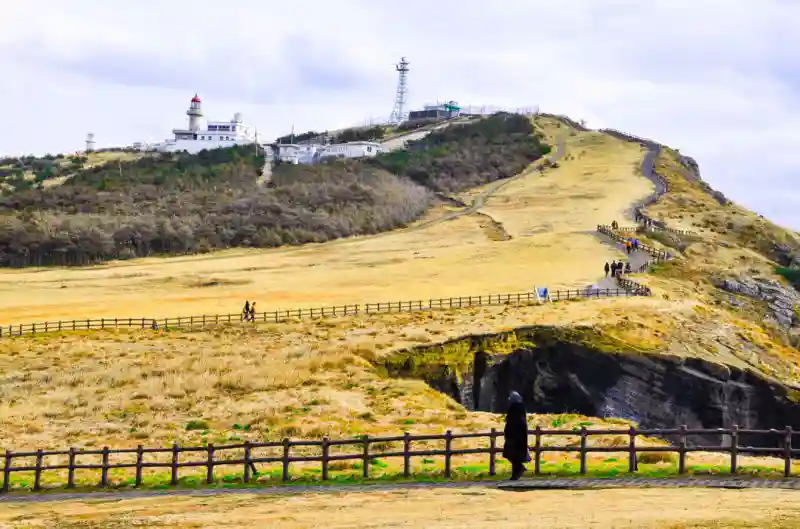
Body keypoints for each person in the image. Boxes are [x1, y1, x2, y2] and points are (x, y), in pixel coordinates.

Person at [503, 391, 530, 480]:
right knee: (513, 455)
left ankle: (518, 470)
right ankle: (516, 473)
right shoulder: (517, 408)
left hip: (515, 436)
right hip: (516, 435)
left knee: (513, 454)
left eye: (510, 398)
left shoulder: (516, 408)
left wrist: (511, 434)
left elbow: (515, 422)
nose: (508, 399)